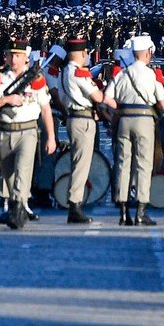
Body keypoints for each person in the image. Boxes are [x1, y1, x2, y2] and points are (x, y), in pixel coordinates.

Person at [0, 43, 56, 230]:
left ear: (25, 59)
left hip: (28, 130)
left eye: (18, 56)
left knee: (23, 171)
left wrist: (51, 137)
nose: (14, 59)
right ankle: (17, 207)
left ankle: (17, 211)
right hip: (5, 130)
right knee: (8, 175)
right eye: (11, 55)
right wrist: (5, 100)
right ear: (6, 57)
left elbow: (46, 109)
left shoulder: (35, 79)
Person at [106, 35, 164, 226]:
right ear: (148, 53)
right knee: (143, 164)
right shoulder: (151, 74)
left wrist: (119, 109)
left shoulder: (122, 74)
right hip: (144, 119)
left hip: (124, 119)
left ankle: (123, 211)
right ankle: (141, 210)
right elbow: (163, 104)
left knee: (123, 163)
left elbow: (107, 98)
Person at [58, 36, 105, 224]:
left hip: (73, 117)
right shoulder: (78, 73)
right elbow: (98, 96)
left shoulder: (63, 72)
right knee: (81, 164)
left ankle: (74, 201)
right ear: (83, 53)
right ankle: (75, 204)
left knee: (77, 161)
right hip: (82, 119)